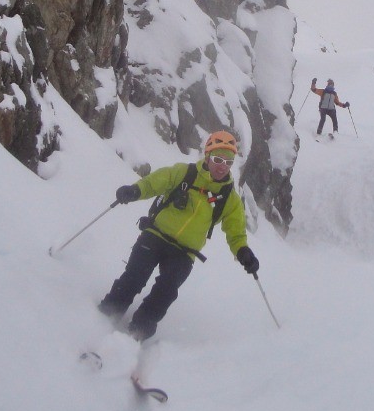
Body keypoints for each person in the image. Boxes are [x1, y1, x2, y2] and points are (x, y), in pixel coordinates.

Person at [97, 130, 260, 341]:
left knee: (166, 291)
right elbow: (154, 183)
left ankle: (138, 332)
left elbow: (236, 232)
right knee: (134, 277)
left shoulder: (229, 198)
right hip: (155, 236)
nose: (222, 166)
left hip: (185, 253)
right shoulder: (184, 172)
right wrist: (134, 191)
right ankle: (106, 316)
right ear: (207, 156)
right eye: (218, 159)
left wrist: (243, 252)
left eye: (228, 162)